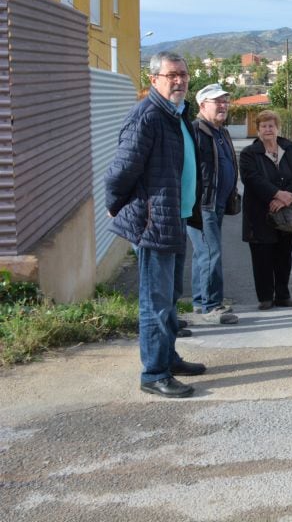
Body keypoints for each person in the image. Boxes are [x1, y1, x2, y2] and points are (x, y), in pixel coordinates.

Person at [105, 52, 207, 398]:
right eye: (171, 75)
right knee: (156, 302)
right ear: (154, 80)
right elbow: (121, 169)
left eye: (183, 74)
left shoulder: (175, 114)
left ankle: (169, 357)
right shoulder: (148, 116)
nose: (179, 80)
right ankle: (154, 373)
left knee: (171, 297)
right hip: (154, 223)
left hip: (175, 219)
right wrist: (114, 205)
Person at [239, 110, 292, 310]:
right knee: (262, 256)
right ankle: (266, 297)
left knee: (284, 255)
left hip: (286, 213)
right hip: (260, 213)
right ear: (258, 130)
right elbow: (252, 179)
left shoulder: (289, 148)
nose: (268, 129)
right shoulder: (249, 154)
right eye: (264, 126)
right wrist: (277, 194)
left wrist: (287, 198)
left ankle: (283, 295)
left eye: (271, 126)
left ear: (277, 128)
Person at [187, 83, 240, 325]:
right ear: (202, 105)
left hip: (216, 203)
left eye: (225, 101)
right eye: (217, 101)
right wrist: (195, 203)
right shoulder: (196, 131)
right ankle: (211, 306)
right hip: (203, 205)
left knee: (204, 254)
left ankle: (200, 302)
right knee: (210, 253)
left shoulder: (220, 131)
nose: (223, 105)